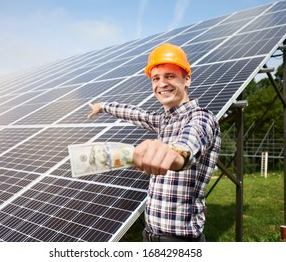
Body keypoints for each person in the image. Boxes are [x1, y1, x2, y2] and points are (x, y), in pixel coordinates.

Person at [87, 43, 221, 242]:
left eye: (170, 76)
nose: (161, 84)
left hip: (179, 242)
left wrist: (172, 153)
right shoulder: (163, 121)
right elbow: (136, 113)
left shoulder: (202, 118)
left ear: (187, 79)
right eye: (156, 78)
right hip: (149, 236)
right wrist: (103, 106)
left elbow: (188, 146)